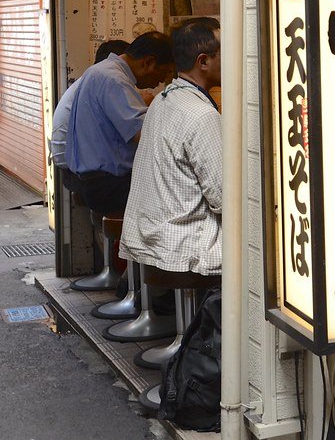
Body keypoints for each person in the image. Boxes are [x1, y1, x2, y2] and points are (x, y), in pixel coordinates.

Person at [120, 18, 223, 275]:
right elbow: (223, 198)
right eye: (226, 52)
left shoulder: (164, 99)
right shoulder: (202, 115)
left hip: (151, 233)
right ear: (203, 61)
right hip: (183, 243)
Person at [66, 31, 175, 214]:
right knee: (182, 198)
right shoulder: (114, 79)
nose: (160, 81)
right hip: (108, 186)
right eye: (163, 73)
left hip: (94, 182)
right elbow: (142, 134)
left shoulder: (101, 70)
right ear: (148, 62)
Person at [50, 39, 131, 190]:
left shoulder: (89, 80)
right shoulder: (106, 82)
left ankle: (108, 213)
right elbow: (129, 129)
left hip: (68, 164)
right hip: (75, 169)